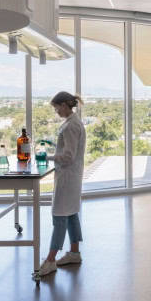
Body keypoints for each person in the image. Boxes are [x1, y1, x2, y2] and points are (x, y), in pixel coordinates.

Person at [37, 91, 86, 278]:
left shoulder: (71, 126)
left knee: (59, 217)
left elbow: (68, 156)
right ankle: (74, 252)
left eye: (57, 108)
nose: (56, 112)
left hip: (68, 177)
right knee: (72, 214)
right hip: (72, 176)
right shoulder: (73, 122)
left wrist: (47, 157)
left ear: (64, 105)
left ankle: (50, 260)